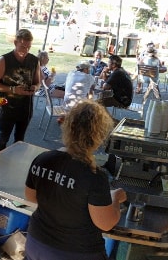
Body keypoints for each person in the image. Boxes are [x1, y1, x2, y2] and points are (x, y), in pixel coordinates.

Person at [24, 100, 126, 260]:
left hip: (36, 244)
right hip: (76, 252)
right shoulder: (94, 176)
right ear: (98, 136)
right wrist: (116, 197)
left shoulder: (42, 159)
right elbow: (105, 224)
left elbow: (31, 197)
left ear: (67, 127)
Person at [0, 29, 41, 153]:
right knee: (3, 138)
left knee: (20, 140)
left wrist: (35, 87)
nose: (26, 50)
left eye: (28, 47)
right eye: (23, 46)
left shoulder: (34, 61)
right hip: (8, 107)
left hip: (26, 108)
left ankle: (15, 162)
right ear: (15, 42)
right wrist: (13, 89)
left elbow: (38, 82)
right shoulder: (4, 60)